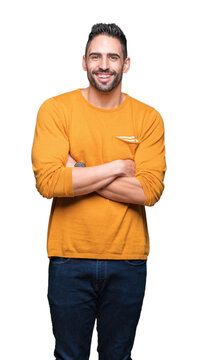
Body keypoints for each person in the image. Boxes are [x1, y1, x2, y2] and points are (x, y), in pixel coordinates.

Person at [31, 23, 166, 360]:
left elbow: (149, 190)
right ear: (84, 61)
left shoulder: (148, 118)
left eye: (112, 57)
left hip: (128, 261)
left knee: (117, 357)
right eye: (96, 56)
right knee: (69, 356)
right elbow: (48, 181)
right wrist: (119, 167)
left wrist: (76, 170)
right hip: (68, 259)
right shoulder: (56, 110)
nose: (104, 64)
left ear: (126, 63)